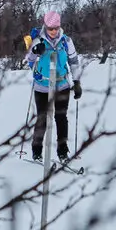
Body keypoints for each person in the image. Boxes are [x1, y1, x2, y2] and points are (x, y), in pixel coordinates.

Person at [21, 10, 82, 164]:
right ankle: (36, 152)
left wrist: (77, 82)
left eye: (56, 28)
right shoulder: (38, 40)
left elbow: (74, 62)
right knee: (41, 119)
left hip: (61, 85)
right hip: (42, 86)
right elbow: (28, 59)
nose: (53, 31)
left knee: (61, 118)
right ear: (45, 26)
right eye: (50, 28)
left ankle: (62, 152)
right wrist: (35, 51)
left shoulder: (66, 41)